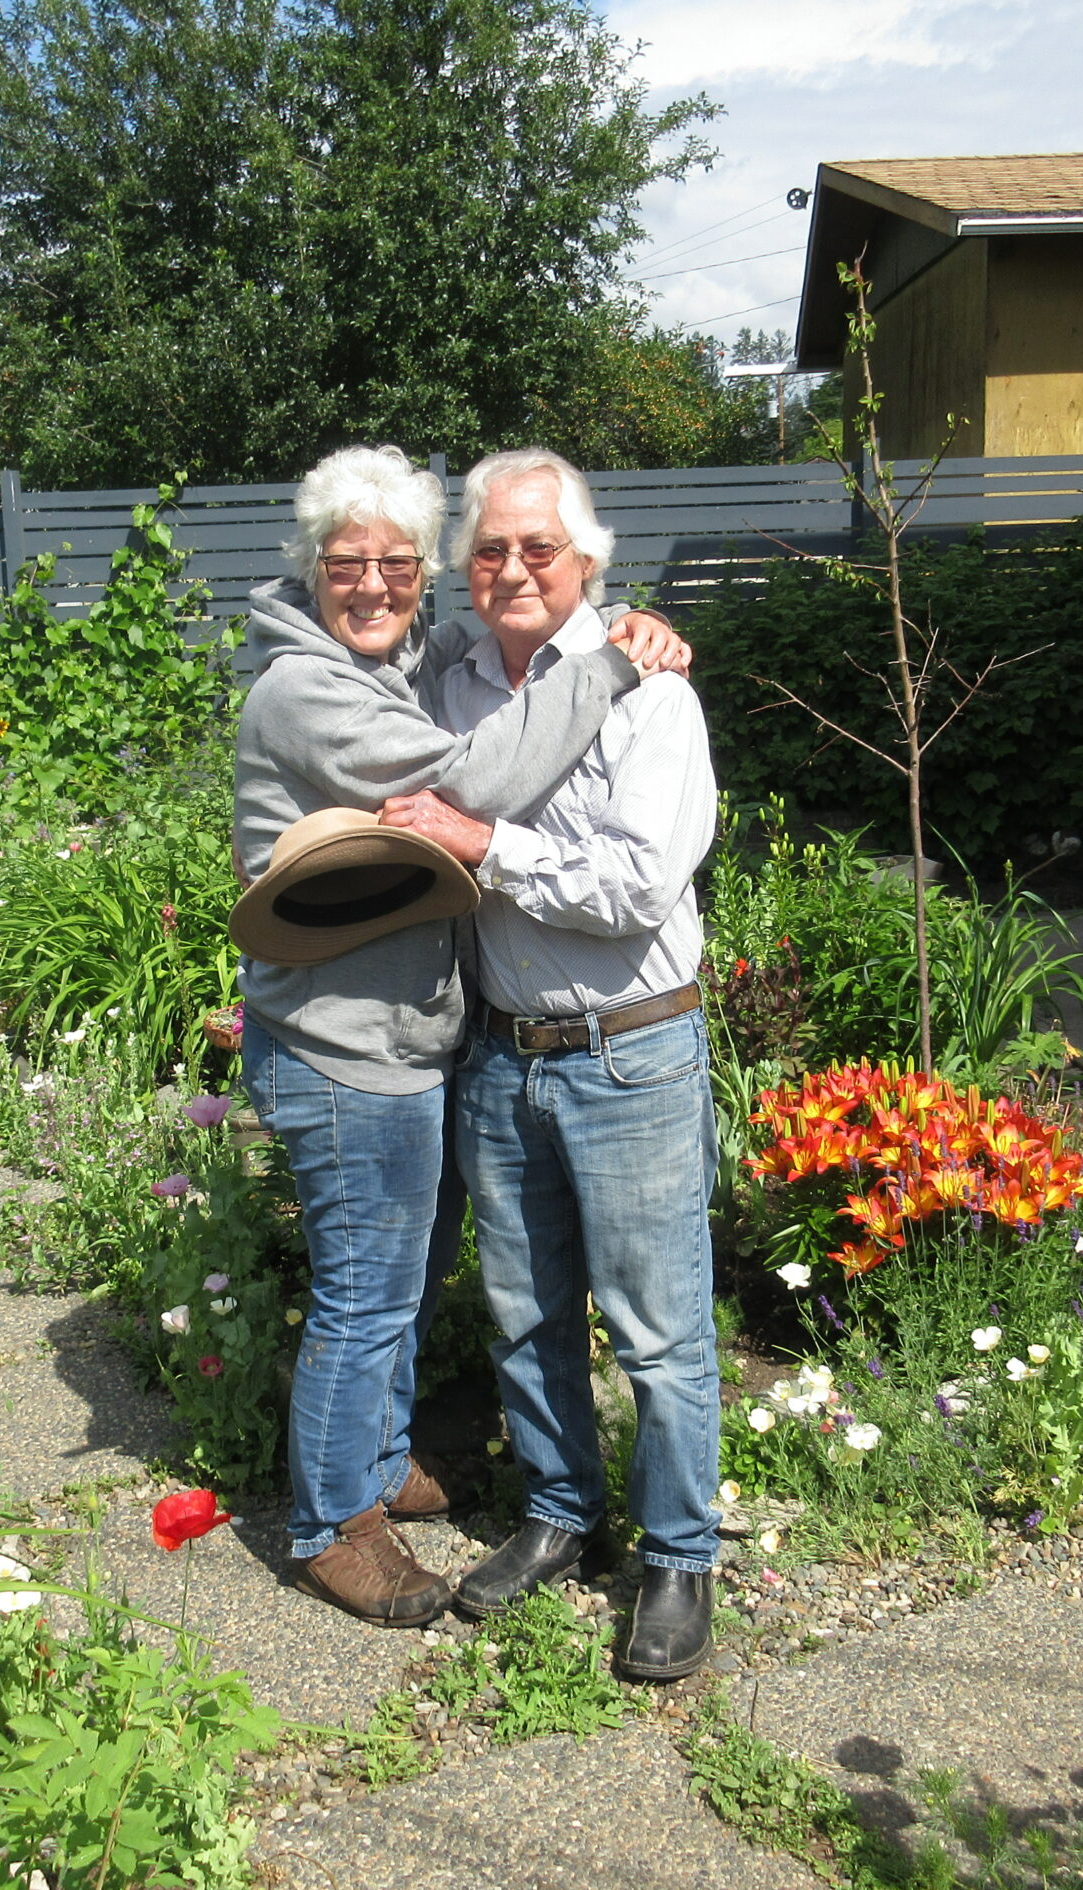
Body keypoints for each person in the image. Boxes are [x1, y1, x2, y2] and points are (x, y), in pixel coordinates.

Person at [230, 444, 686, 1627]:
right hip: (344, 1048)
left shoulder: (395, 660)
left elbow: (515, 625)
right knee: (366, 1297)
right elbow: (469, 784)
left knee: (402, 1283)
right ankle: (334, 1521)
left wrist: (612, 624)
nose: (374, 585)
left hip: (409, 1041)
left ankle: (377, 1469)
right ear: (309, 567)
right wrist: (605, 672)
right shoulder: (306, 691)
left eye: (396, 563)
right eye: (347, 564)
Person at [379, 447, 723, 1680]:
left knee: (657, 1327)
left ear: (587, 560)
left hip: (628, 1053)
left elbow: (637, 889)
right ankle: (561, 1519)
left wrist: (486, 842)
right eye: (489, 548)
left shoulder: (648, 695)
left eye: (538, 547)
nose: (512, 566)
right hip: (498, 1050)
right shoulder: (444, 684)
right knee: (525, 1319)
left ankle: (679, 1556)